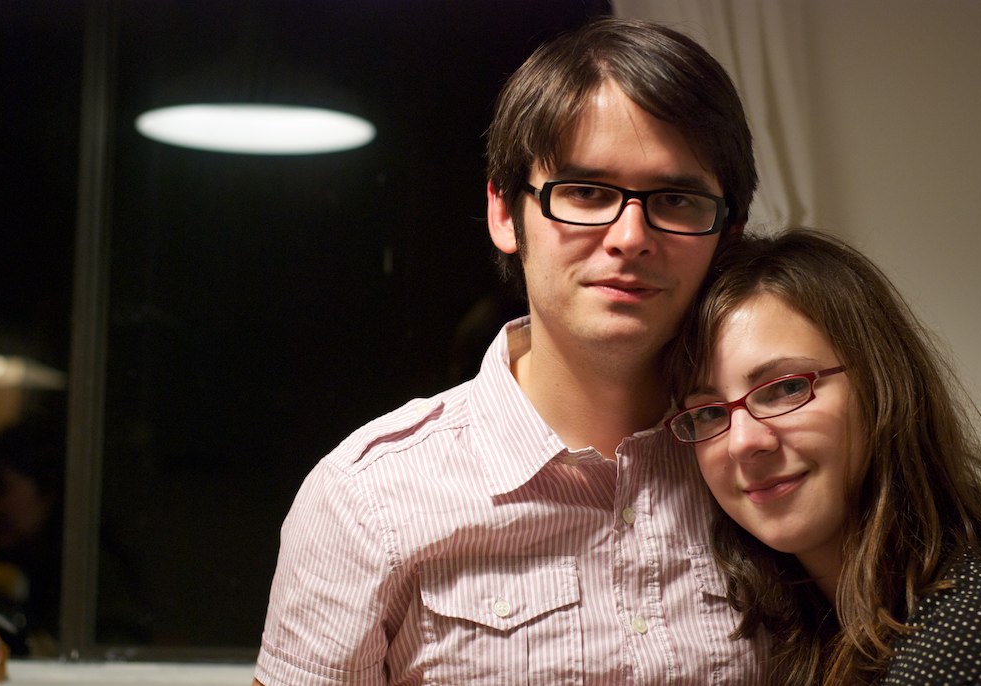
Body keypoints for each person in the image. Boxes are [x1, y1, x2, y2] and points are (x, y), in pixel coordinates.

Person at [254, 17, 766, 686]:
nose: (630, 236)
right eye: (586, 192)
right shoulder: (366, 501)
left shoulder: (769, 467)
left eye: (675, 199)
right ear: (504, 212)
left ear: (729, 233)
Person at [667, 229, 981, 685]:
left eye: (787, 388)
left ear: (881, 384)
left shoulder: (969, 638)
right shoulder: (817, 636)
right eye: (710, 412)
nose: (743, 442)